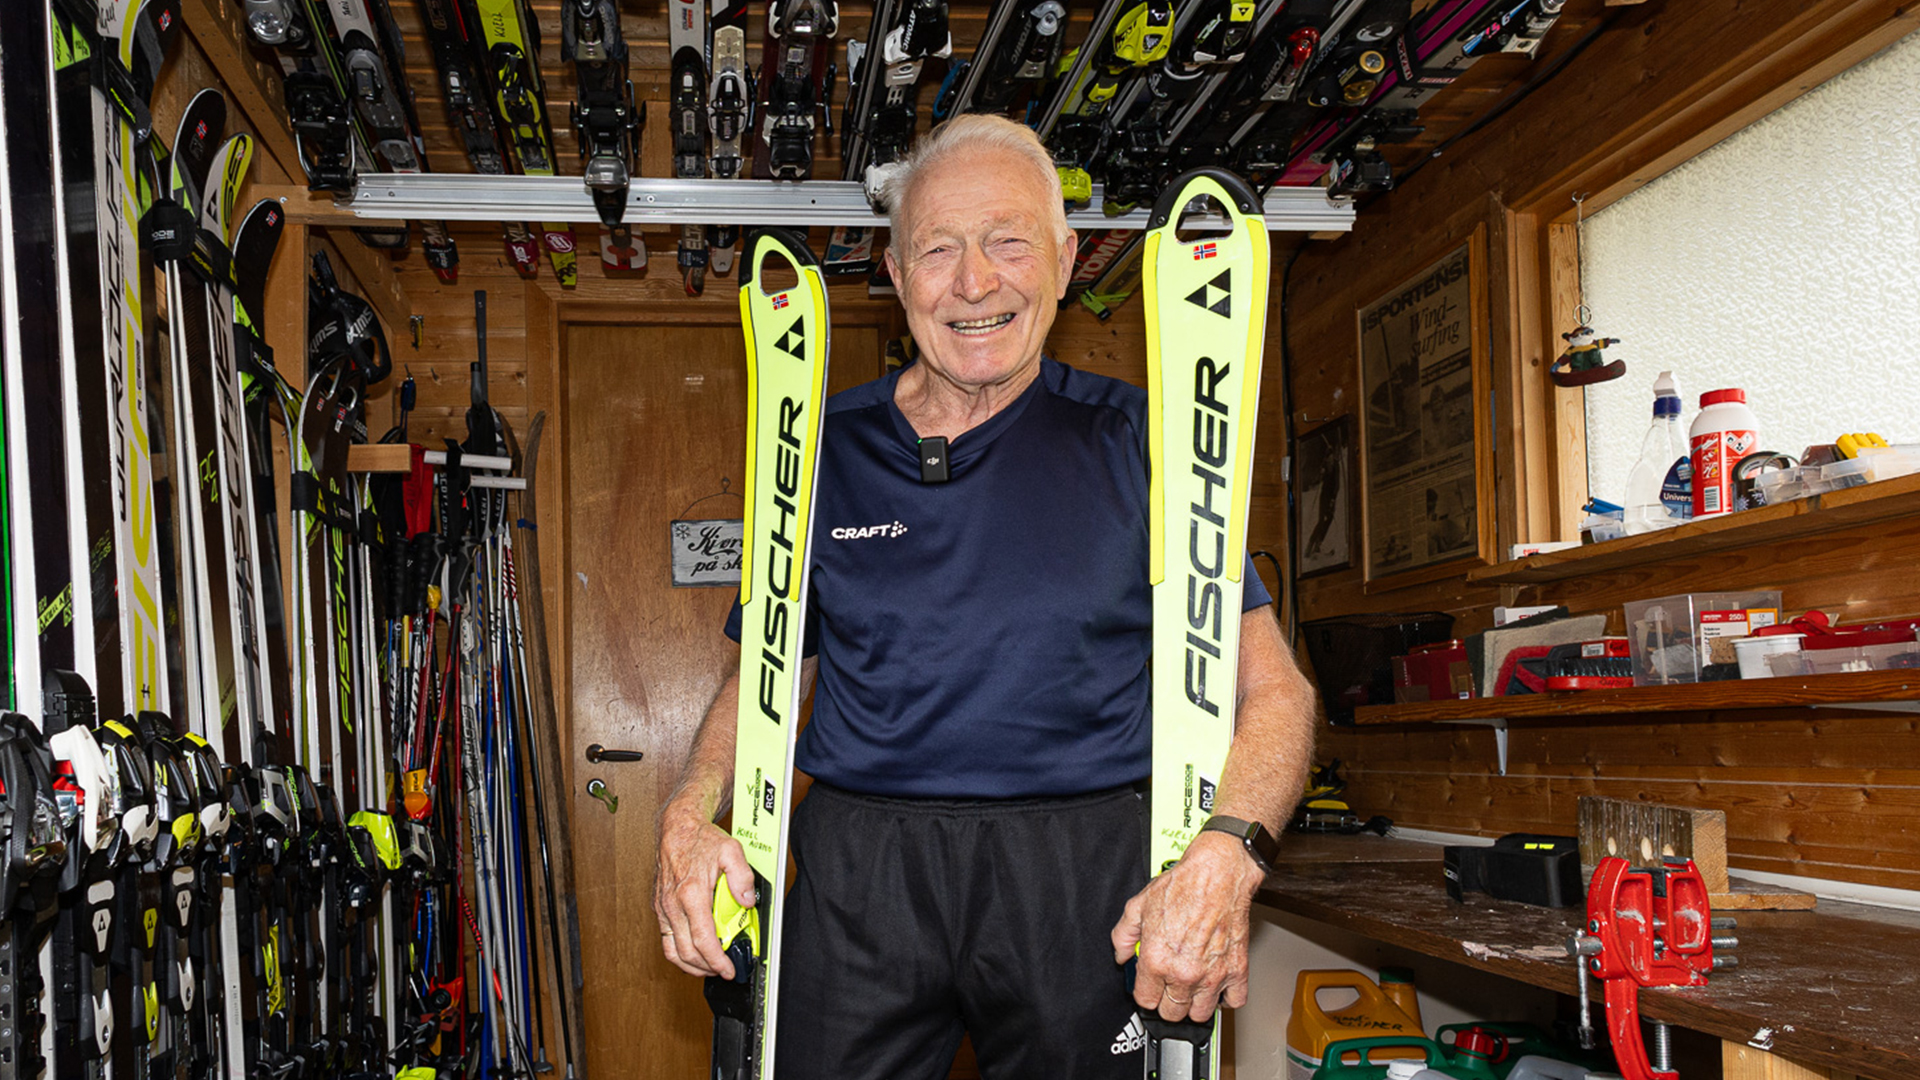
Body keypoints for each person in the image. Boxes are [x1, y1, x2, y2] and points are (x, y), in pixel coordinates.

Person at [652, 114, 1320, 1079]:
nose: (974, 284)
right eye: (938, 251)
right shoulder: (814, 452)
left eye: (1008, 242)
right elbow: (763, 677)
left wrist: (1229, 853)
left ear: (1065, 258)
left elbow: (1277, 693)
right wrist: (688, 811)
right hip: (859, 874)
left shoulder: (1149, 445)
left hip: (1083, 874)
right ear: (893, 273)